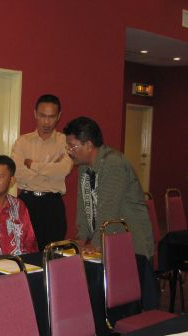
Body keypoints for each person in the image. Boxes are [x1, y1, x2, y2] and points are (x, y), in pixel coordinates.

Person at [63, 116, 153, 258]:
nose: (69, 151)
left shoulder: (113, 163)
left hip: (132, 244)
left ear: (88, 145)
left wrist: (96, 243)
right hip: (108, 242)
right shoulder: (83, 167)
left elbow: (108, 210)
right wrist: (81, 238)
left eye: (72, 146)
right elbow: (83, 206)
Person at [11, 94, 73, 251]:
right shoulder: (22, 142)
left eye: (51, 117)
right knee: (24, 250)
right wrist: (51, 168)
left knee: (53, 253)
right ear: (35, 114)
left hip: (53, 204)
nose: (46, 122)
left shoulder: (65, 141)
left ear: (59, 116)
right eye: (42, 116)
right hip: (26, 201)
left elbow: (64, 169)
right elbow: (18, 173)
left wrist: (33, 165)